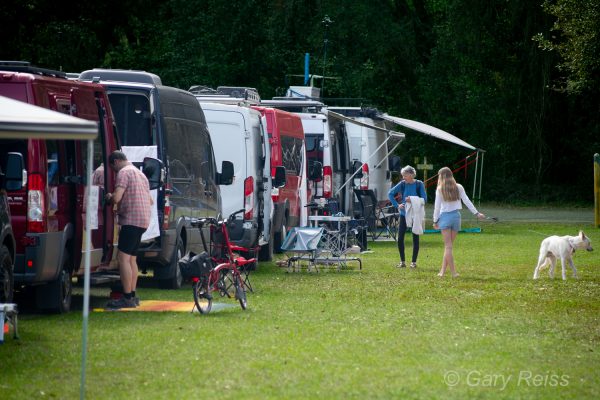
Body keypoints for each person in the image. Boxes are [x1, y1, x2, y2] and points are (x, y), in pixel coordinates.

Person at [105, 151, 153, 309]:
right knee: (132, 259)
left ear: (116, 161)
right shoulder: (140, 174)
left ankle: (126, 298)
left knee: (123, 259)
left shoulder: (124, 173)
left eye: (113, 168)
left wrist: (109, 197)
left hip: (130, 219)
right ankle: (132, 295)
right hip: (143, 220)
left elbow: (117, 198)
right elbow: (151, 200)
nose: (114, 171)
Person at [432, 167, 485, 277]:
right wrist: (476, 213)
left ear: (441, 176)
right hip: (456, 217)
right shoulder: (459, 187)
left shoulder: (439, 189)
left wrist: (435, 221)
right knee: (449, 247)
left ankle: (453, 273)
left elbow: (436, 208)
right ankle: (442, 271)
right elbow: (467, 201)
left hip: (445, 217)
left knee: (448, 247)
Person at [388, 165, 427, 268]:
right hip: (404, 214)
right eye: (403, 175)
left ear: (411, 175)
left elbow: (424, 199)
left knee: (415, 237)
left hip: (415, 214)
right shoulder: (402, 184)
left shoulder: (419, 184)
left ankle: (413, 263)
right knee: (400, 238)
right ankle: (402, 262)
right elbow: (390, 193)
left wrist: (413, 200)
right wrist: (397, 205)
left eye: (404, 175)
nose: (403, 177)